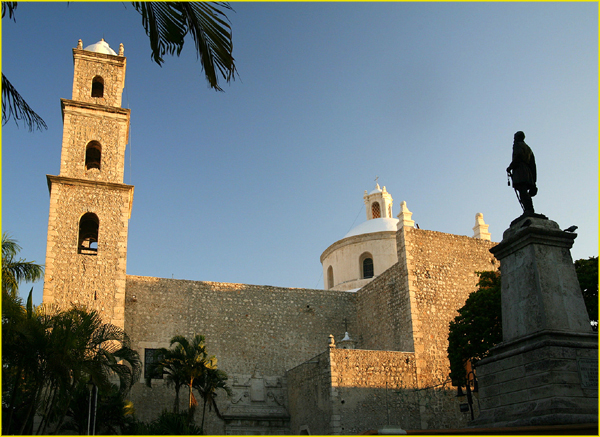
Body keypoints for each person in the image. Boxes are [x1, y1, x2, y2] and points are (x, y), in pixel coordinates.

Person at [507, 131, 537, 214]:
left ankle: (529, 209)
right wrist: (534, 179)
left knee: (522, 191)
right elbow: (533, 164)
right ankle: (529, 209)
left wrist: (510, 167)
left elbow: (518, 156)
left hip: (520, 170)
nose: (514, 139)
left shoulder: (517, 145)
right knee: (523, 191)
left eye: (515, 137)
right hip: (527, 171)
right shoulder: (528, 148)